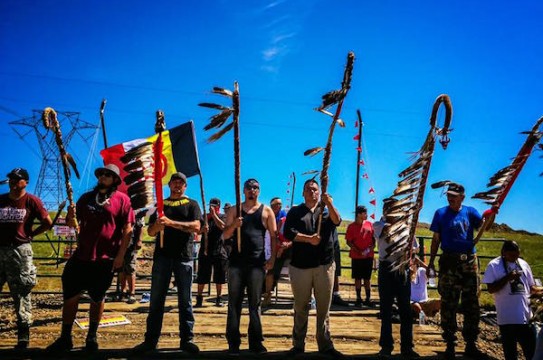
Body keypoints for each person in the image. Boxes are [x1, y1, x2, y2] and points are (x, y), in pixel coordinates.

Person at [47, 164, 134, 352]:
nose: (103, 176)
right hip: (81, 255)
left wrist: (120, 256)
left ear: (115, 180)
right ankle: (65, 337)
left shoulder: (122, 200)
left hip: (105, 258)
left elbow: (127, 230)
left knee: (97, 297)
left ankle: (91, 337)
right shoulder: (86, 198)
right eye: (101, 174)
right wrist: (70, 218)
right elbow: (74, 225)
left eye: (108, 175)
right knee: (70, 296)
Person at [133, 172, 201, 354]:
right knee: (156, 300)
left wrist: (170, 223)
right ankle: (150, 340)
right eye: (174, 182)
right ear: (169, 185)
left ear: (185, 186)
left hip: (184, 257)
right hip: (162, 257)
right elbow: (151, 231)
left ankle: (187, 339)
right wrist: (157, 226)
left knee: (185, 300)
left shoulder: (192, 204)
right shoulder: (160, 206)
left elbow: (196, 227)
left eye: (181, 183)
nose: (177, 185)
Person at [428, 182, 494, 359]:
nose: (450, 198)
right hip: (449, 261)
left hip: (469, 261)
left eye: (454, 196)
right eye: (448, 195)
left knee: (471, 302)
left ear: (462, 197)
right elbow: (436, 239)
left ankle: (471, 343)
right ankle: (450, 342)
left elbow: (484, 226)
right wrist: (431, 262)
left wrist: (492, 215)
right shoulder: (440, 213)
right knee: (449, 302)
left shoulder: (470, 211)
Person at [283, 179, 343, 358]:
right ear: (303, 193)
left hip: (324, 265)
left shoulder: (325, 211)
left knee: (323, 308)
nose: (312, 192)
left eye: (315, 189)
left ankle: (325, 344)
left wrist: (329, 203)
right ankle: (298, 344)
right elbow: (288, 233)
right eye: (308, 189)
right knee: (301, 307)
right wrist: (308, 239)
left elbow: (337, 220)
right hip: (300, 266)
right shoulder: (295, 211)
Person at [222, 178, 277, 355]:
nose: (252, 190)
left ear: (259, 191)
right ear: (243, 190)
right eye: (249, 187)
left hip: (256, 264)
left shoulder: (267, 211)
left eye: (256, 188)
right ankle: (233, 342)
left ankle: (256, 342)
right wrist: (234, 225)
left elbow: (274, 236)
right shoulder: (234, 210)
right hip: (236, 264)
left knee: (255, 304)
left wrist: (273, 259)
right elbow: (225, 235)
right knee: (234, 303)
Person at [0, 168, 52, 349]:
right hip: (0, 250)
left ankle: (23, 332)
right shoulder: (1, 200)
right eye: (11, 178)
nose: (13, 182)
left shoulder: (31, 201)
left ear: (26, 182)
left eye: (17, 179)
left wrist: (31, 235)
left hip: (20, 251)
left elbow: (47, 223)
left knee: (21, 291)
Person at [482, 240, 539, 360]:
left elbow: (531, 286)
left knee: (532, 352)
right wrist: (508, 277)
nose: (515, 257)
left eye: (517, 254)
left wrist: (539, 291)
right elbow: (491, 289)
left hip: (526, 316)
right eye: (511, 255)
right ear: (503, 253)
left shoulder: (523, 264)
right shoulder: (494, 265)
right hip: (507, 318)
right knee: (510, 353)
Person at [374, 213, 419, 359]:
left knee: (405, 308)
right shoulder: (378, 225)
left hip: (402, 267)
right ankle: (386, 346)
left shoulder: (406, 228)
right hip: (386, 268)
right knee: (386, 309)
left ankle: (407, 347)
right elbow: (387, 230)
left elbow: (415, 247)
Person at [195, 197, 228, 308]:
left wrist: (214, 216)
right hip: (205, 250)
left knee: (220, 276)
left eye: (215, 205)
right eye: (211, 205)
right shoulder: (204, 217)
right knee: (202, 276)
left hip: (219, 250)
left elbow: (223, 227)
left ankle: (218, 298)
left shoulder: (223, 216)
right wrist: (203, 230)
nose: (213, 207)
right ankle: (199, 298)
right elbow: (197, 230)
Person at [346, 205, 375, 307]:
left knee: (367, 278)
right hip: (356, 256)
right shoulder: (351, 226)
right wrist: (357, 250)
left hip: (368, 256)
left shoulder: (370, 225)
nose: (366, 215)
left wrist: (369, 250)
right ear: (359, 214)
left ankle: (368, 298)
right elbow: (348, 241)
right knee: (357, 277)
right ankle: (358, 298)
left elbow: (373, 241)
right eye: (364, 213)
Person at [263, 197, 290, 307]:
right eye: (276, 204)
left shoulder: (285, 216)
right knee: (271, 270)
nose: (279, 206)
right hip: (273, 247)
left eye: (280, 204)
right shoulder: (268, 215)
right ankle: (267, 294)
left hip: (286, 246)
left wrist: (284, 246)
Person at [119, 209, 145, 304]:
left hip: (131, 243)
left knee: (130, 267)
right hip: (118, 243)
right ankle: (123, 291)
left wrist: (139, 240)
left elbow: (140, 226)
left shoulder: (137, 211)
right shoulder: (120, 209)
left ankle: (132, 293)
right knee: (121, 268)